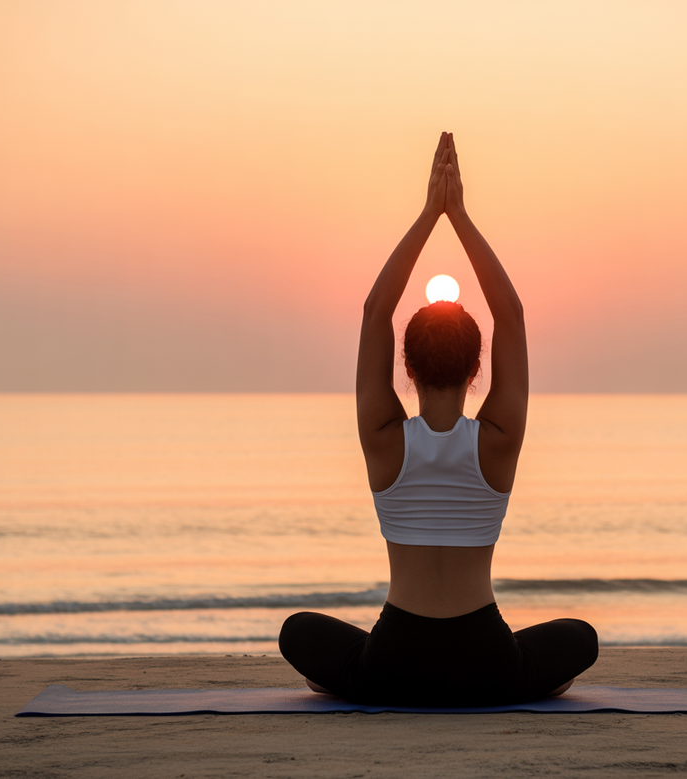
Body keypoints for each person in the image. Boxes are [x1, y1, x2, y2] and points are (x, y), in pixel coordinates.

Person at [278, 132, 598, 706]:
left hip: (395, 660)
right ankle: (520, 680)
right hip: (489, 662)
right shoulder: (497, 441)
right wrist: (460, 216)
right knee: (580, 639)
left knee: (298, 632)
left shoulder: (384, 441)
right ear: (479, 367)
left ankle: (350, 681)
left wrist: (430, 215)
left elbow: (377, 310)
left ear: (405, 364)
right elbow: (513, 314)